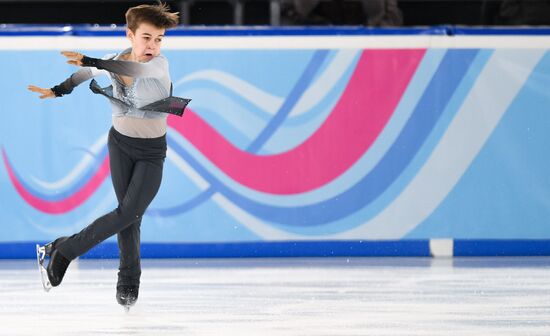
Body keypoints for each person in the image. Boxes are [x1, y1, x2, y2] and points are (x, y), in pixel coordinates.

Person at [28, 2, 180, 309]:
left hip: (151, 152)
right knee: (128, 216)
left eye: (159, 39)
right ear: (130, 34)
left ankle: (63, 249)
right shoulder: (113, 60)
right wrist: (58, 90)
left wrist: (92, 59)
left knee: (130, 212)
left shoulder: (158, 65)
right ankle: (127, 282)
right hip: (120, 144)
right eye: (147, 37)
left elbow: (130, 69)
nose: (153, 45)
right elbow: (84, 74)